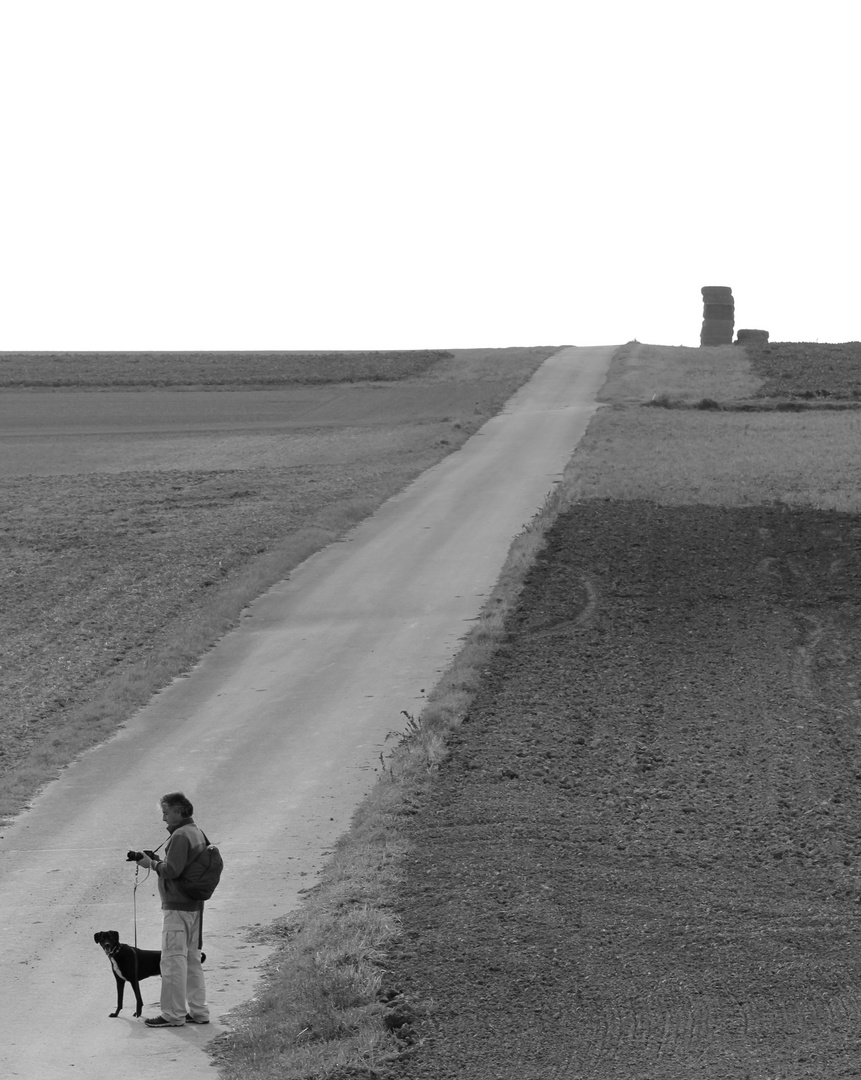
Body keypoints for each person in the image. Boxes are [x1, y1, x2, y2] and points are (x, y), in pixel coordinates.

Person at [136, 792, 210, 1028]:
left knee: (172, 962)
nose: (164, 819)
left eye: (166, 813)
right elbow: (184, 867)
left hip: (177, 908)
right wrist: (160, 862)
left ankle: (172, 1015)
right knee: (191, 960)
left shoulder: (179, 835)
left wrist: (152, 864)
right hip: (195, 907)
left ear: (179, 811)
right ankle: (199, 1012)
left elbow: (173, 871)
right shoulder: (197, 832)